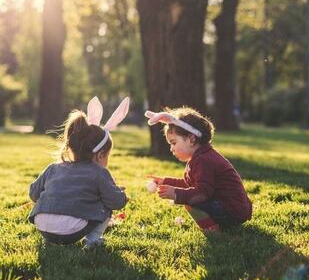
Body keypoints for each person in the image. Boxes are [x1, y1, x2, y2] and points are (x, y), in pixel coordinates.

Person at [29, 96, 130, 247]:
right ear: (100, 155)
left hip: (42, 225)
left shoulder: (53, 168)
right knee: (106, 204)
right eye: (108, 155)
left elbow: (33, 193)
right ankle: (92, 240)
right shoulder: (99, 173)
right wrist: (121, 195)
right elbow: (115, 202)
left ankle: (51, 239)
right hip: (72, 230)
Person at [145, 107, 252, 234]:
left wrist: (176, 194)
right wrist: (165, 181)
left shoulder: (204, 160)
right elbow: (189, 184)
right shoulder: (201, 157)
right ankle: (217, 224)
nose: (171, 149)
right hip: (234, 207)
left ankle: (212, 229)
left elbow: (201, 193)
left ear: (191, 139)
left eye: (173, 143)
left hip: (231, 210)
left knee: (191, 201)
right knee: (190, 196)